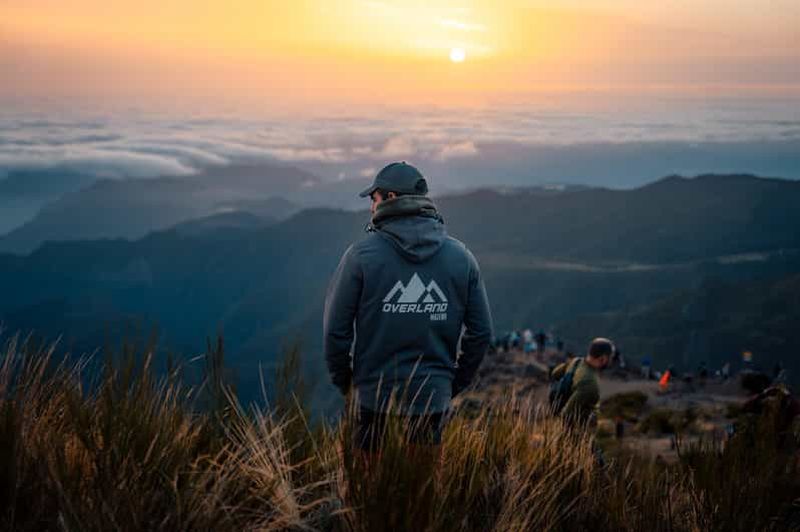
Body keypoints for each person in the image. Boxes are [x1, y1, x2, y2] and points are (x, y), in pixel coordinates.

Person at [324, 162, 493, 452]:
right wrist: (450, 385)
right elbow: (481, 333)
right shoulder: (461, 258)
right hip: (433, 398)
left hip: (372, 398)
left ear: (390, 198)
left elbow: (335, 332)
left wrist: (349, 385)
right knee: (423, 489)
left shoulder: (361, 257)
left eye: (373, 198)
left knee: (368, 489)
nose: (370, 207)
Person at [550, 337, 614, 427]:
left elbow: (554, 374)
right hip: (577, 434)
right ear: (603, 358)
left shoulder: (576, 362)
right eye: (610, 357)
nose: (611, 361)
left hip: (561, 415)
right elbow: (566, 415)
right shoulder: (590, 384)